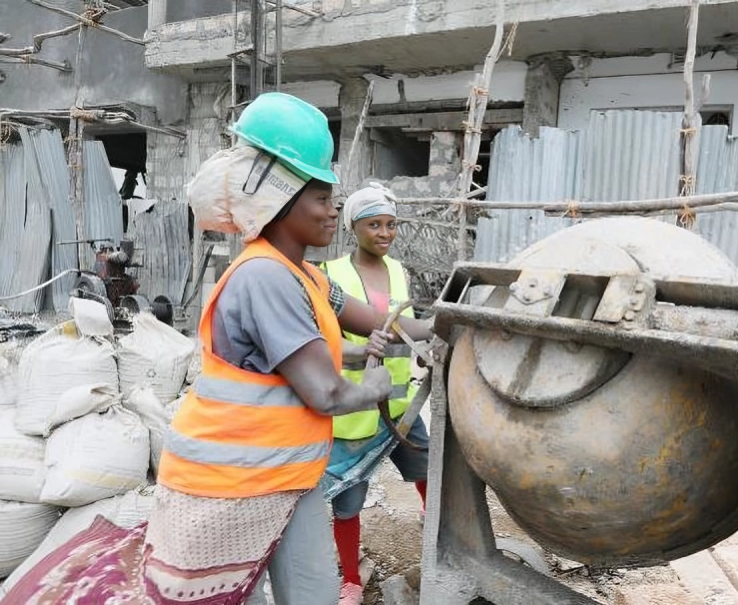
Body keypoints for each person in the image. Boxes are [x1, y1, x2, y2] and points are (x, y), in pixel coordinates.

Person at [0, 92, 432, 605]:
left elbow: (379, 321)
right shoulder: (266, 278)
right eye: (320, 197)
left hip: (284, 476)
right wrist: (379, 382)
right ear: (279, 202)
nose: (332, 210)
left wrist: (445, 324)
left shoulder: (307, 276)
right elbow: (328, 394)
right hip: (230, 484)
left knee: (310, 590)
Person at [320, 183, 432, 605]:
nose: (385, 233)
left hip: (402, 407)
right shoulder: (331, 275)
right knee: (347, 504)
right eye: (374, 225)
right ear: (353, 227)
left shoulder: (400, 271)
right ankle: (351, 577)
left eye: (391, 224)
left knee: (428, 472)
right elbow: (324, 342)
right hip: (354, 413)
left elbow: (411, 326)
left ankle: (431, 520)